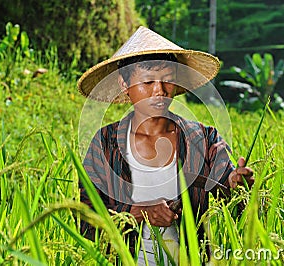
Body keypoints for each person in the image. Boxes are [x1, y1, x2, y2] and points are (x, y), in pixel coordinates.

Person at [77, 26, 254, 265]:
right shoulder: (105, 144)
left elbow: (228, 195)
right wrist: (137, 214)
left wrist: (236, 183)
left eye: (167, 81)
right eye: (148, 82)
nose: (159, 92)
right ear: (124, 84)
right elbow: (86, 219)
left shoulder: (203, 138)